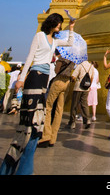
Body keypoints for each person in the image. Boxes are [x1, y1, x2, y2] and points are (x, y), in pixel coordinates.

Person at [0, 13, 74, 175]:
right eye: (58, 23)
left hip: (44, 81)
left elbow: (69, 42)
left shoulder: (54, 41)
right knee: (28, 125)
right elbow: (30, 57)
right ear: (51, 23)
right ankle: (13, 167)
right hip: (34, 77)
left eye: (61, 24)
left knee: (37, 126)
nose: (59, 26)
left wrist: (71, 26)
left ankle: (24, 166)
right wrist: (20, 78)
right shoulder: (40, 36)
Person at [38, 52, 75, 147]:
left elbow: (57, 70)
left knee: (48, 107)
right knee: (59, 110)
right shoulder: (74, 59)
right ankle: (53, 138)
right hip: (67, 83)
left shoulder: (64, 57)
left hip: (58, 81)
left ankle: (46, 135)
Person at [67, 59, 94, 130]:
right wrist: (88, 85)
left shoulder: (80, 65)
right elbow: (92, 77)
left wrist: (72, 80)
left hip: (78, 87)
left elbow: (73, 76)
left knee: (74, 104)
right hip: (86, 88)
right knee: (84, 104)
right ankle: (87, 119)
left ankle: (72, 122)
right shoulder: (91, 66)